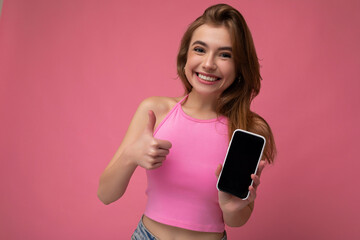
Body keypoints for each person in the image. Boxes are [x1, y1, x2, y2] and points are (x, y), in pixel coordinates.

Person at [97, 3, 276, 240]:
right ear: (185, 57)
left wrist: (233, 208)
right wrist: (132, 155)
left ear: (240, 67)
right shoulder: (155, 111)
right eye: (200, 50)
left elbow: (236, 220)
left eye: (225, 54)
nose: (209, 64)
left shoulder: (248, 130)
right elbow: (105, 194)